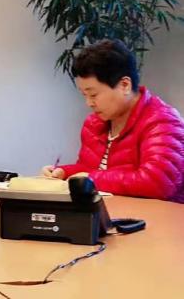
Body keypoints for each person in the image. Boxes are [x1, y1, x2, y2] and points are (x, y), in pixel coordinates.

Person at [41, 39, 184, 202]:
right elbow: (89, 168)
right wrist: (64, 173)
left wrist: (92, 180)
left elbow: (157, 183)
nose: (89, 103)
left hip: (156, 215)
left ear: (125, 85)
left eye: (93, 95)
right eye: (84, 95)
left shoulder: (162, 122)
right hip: (111, 211)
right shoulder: (94, 123)